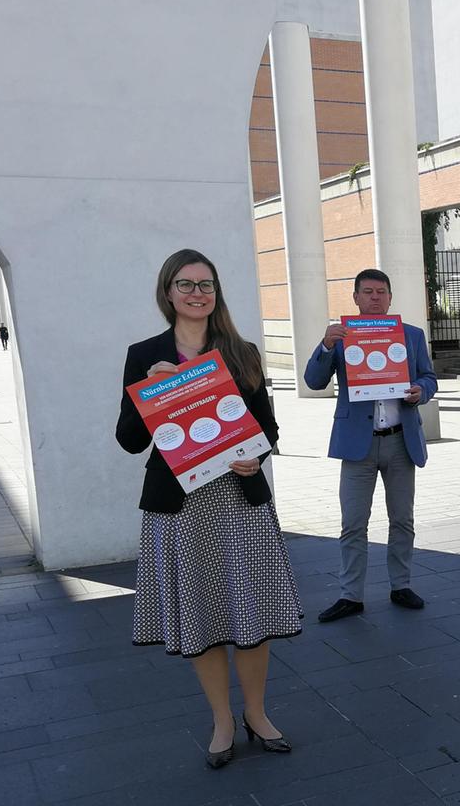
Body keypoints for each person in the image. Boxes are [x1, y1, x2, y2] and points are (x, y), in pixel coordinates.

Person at [116, 248, 301, 769]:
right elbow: (129, 441)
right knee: (201, 615)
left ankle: (257, 714)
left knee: (254, 611)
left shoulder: (241, 351)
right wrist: (149, 395)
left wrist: (254, 455)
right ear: (168, 292)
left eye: (206, 284)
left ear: (215, 293)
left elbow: (268, 430)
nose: (197, 293)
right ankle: (222, 720)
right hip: (181, 508)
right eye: (186, 283)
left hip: (238, 501)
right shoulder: (143, 353)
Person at [305, 269, 438, 623]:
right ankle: (351, 595)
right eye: (368, 291)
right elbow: (314, 381)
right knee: (352, 523)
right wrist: (326, 346)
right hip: (357, 445)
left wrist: (420, 391)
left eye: (381, 291)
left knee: (402, 520)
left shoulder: (410, 335)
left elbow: (428, 377)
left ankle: (401, 585)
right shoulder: (343, 338)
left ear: (390, 297)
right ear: (355, 298)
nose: (375, 297)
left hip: (399, 440)